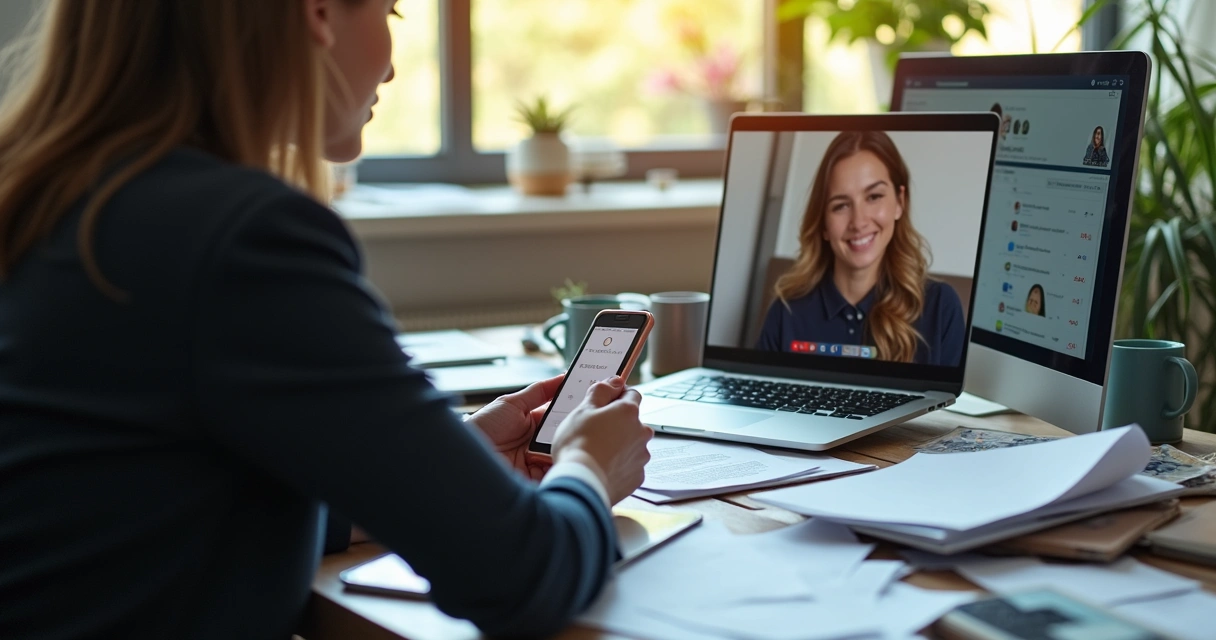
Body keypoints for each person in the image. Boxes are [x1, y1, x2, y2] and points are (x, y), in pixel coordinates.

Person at [0, 1, 652, 638]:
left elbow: (145, 512)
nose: (393, 68)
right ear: (317, 13)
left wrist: (452, 461)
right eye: (391, 13)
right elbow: (521, 576)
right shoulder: (240, 237)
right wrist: (590, 466)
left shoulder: (51, 198)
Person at [755, 131, 965, 366]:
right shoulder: (786, 313)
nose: (859, 222)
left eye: (874, 196)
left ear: (899, 202)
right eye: (841, 205)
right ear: (823, 222)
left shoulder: (940, 307)